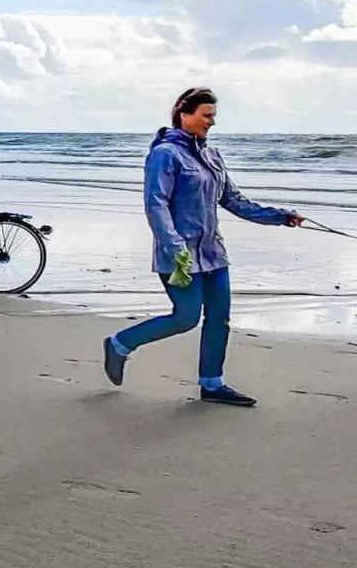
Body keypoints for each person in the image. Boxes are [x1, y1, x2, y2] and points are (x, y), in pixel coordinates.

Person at [102, 87, 303, 407]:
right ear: (185, 115)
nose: (211, 122)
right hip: (179, 254)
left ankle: (212, 383)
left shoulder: (212, 155)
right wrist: (174, 246)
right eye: (206, 115)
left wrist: (280, 216)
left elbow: (233, 200)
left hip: (213, 252)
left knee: (219, 317)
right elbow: (156, 205)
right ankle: (120, 343)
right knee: (185, 318)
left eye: (213, 116)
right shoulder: (165, 154)